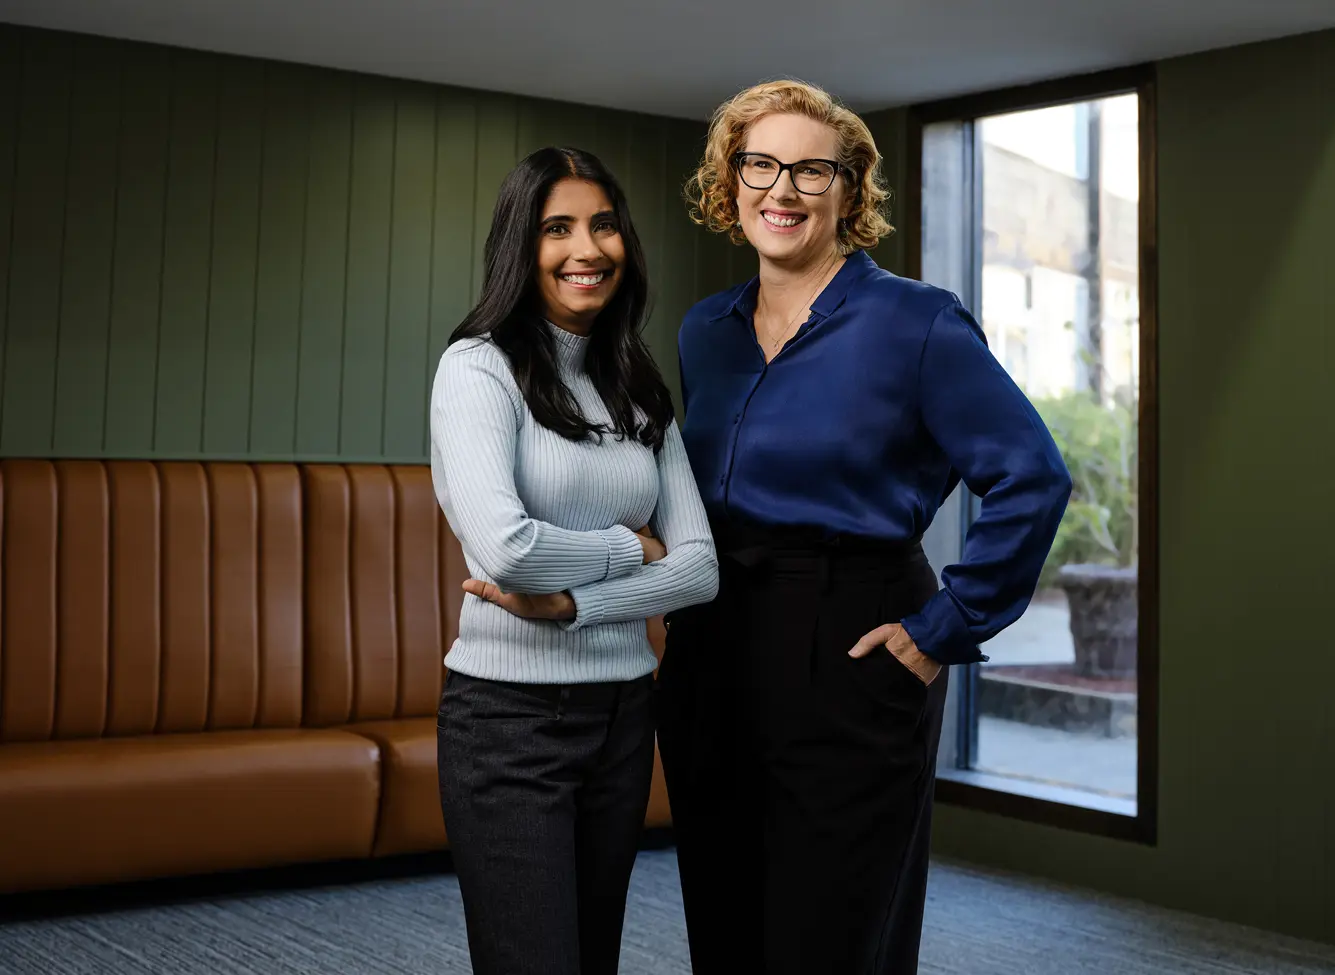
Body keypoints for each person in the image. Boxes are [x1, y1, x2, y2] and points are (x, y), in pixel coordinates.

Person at [655, 80, 1074, 974]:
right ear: (729, 185)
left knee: (833, 928)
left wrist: (943, 630)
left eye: (812, 170)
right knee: (722, 908)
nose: (783, 189)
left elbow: (1030, 476)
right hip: (713, 639)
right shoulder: (706, 332)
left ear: (850, 191)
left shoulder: (915, 321)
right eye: (760, 165)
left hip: (857, 636)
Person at [428, 146, 719, 975]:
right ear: (522, 244)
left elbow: (699, 570)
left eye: (602, 225)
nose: (585, 248)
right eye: (557, 228)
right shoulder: (477, 368)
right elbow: (509, 549)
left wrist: (576, 604)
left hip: (623, 713)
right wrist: (632, 549)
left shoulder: (636, 381)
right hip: (508, 721)